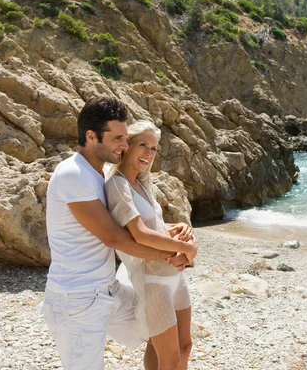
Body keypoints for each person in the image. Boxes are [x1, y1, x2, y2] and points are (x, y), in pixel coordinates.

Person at [41, 96, 194, 370]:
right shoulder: (73, 174)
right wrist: (175, 253)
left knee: (155, 332)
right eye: (118, 138)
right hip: (75, 298)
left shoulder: (96, 175)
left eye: (126, 138)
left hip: (108, 291)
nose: (125, 145)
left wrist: (174, 232)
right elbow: (115, 237)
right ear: (91, 136)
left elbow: (130, 221)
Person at [106, 120, 196, 370]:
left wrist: (179, 229)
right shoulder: (118, 184)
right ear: (126, 146)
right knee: (170, 358)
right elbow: (140, 232)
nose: (148, 153)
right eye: (143, 145)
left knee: (184, 347)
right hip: (153, 281)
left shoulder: (142, 183)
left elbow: (153, 224)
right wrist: (187, 250)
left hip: (175, 276)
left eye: (154, 148)